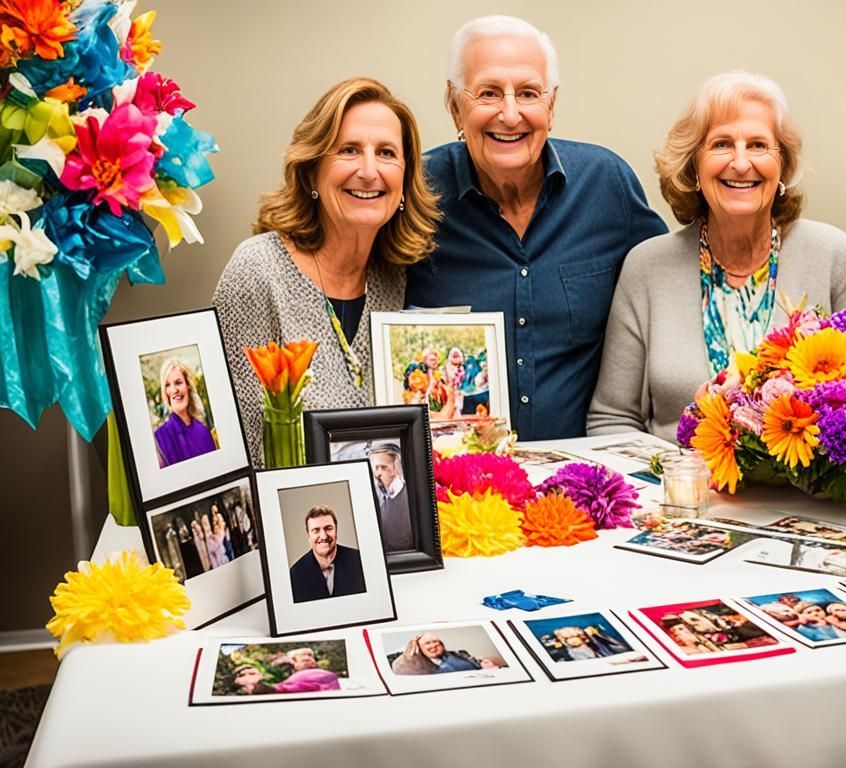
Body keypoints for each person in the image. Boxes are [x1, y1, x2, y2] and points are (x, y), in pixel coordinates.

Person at [406, 15, 668, 441]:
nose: (510, 114)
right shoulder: (416, 194)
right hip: (458, 483)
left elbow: (668, 288)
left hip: (584, 477)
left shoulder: (606, 184)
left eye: (528, 93)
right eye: (488, 93)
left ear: (551, 105)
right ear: (455, 105)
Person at [588, 71, 846, 441]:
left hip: (806, 494)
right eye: (722, 144)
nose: (741, 163)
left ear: (783, 165)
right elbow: (611, 420)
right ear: (694, 167)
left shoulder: (837, 258)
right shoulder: (647, 267)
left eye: (758, 145)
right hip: (676, 490)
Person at [214, 78, 440, 466]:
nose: (369, 171)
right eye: (348, 150)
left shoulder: (398, 279)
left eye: (386, 153)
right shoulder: (258, 271)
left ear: (404, 181)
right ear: (311, 171)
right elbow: (244, 448)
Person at [289, 506, 366, 603]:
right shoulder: (295, 575)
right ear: (308, 535)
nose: (323, 536)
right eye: (316, 530)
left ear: (336, 531)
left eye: (328, 528)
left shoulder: (360, 561)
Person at [152, 359, 217, 468]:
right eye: (168, 385)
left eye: (178, 382)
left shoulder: (204, 432)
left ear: (188, 386)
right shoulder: (158, 438)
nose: (174, 390)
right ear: (165, 392)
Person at [368, 443, 413, 550]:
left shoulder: (409, 498)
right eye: (376, 468)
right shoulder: (381, 497)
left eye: (383, 467)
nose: (377, 473)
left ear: (396, 469)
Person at [391, 633, 480, 675]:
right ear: (419, 647)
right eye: (428, 643)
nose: (433, 645)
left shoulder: (457, 655)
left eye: (436, 642)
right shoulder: (414, 664)